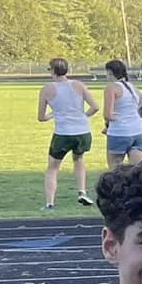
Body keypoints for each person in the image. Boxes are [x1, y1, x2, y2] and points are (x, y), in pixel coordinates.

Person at [39, 57, 100, 210]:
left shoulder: (47, 89)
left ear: (53, 71)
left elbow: (41, 117)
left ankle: (50, 203)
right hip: (82, 131)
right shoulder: (78, 85)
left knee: (53, 168)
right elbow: (95, 107)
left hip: (63, 133)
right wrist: (83, 117)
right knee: (78, 160)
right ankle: (82, 191)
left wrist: (52, 115)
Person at [101, 61, 142, 167]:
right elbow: (140, 107)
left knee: (115, 168)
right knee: (136, 169)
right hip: (138, 131)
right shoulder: (133, 88)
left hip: (119, 132)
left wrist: (107, 125)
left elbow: (107, 115)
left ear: (110, 72)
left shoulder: (111, 88)